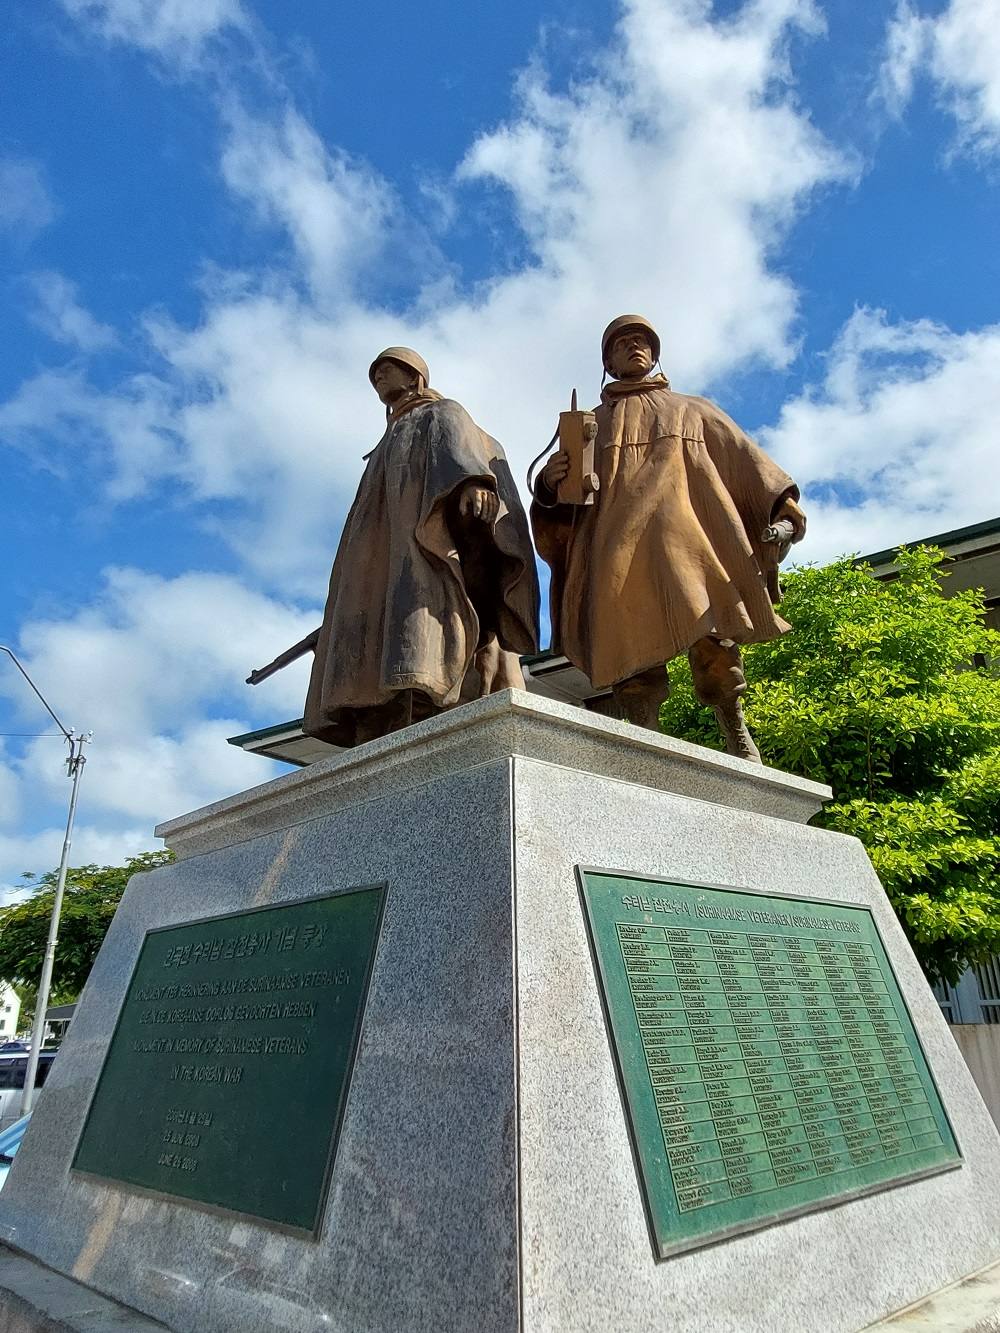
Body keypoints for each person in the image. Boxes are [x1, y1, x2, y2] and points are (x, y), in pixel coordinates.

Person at [531, 315, 806, 761]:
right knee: (628, 648)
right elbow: (564, 505)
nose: (634, 347)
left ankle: (735, 731)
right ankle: (646, 742)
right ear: (608, 361)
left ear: (655, 353)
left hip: (688, 540)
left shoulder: (692, 410)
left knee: (714, 632)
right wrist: (548, 484)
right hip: (616, 546)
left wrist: (782, 513)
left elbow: (749, 463)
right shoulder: (586, 425)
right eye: (622, 344)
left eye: (642, 341)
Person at [302, 347, 539, 746]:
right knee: (373, 634)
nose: (379, 377)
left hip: (424, 550)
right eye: (374, 373)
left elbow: (464, 450)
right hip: (377, 565)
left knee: (422, 632)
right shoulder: (383, 445)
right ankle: (380, 721)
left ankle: (423, 702)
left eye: (389, 369)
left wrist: (473, 483)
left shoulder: (440, 413)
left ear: (416, 378)